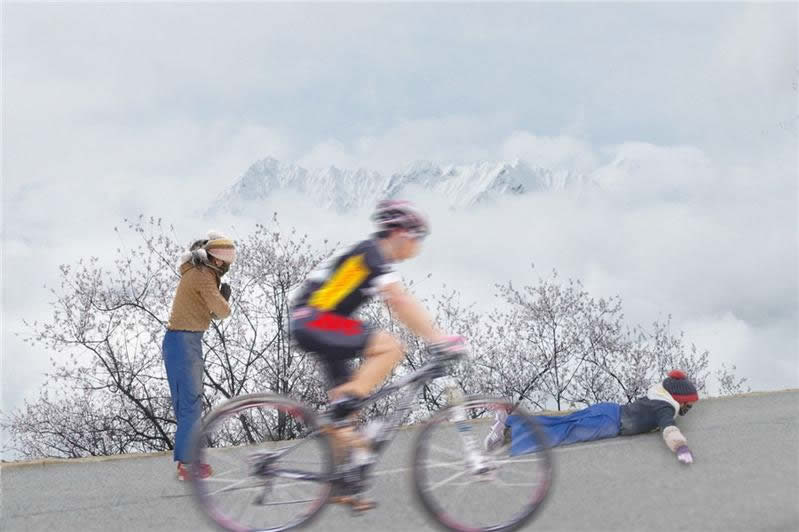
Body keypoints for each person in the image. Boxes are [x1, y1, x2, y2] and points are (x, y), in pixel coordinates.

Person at [290, 199, 462, 509]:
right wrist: (440, 339)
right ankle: (342, 418)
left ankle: (340, 485)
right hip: (314, 318)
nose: (419, 245)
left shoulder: (369, 254)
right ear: (399, 233)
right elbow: (399, 301)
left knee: (346, 412)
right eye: (418, 236)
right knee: (391, 346)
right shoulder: (373, 253)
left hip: (316, 322)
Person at [485, 370, 699, 465]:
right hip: (608, 423)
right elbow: (669, 429)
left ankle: (511, 421)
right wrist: (681, 447)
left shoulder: (657, 396)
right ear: (679, 399)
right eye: (688, 403)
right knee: (562, 433)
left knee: (562, 422)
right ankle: (511, 437)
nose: (689, 407)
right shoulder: (665, 408)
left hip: (608, 411)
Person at [163, 231, 236, 481]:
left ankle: (189, 459)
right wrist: (224, 300)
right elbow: (222, 311)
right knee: (191, 404)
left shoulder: (196, 272)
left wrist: (216, 304)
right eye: (227, 259)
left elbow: (208, 311)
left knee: (187, 403)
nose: (228, 264)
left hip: (182, 341)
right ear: (217, 260)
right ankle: (187, 465)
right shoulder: (204, 275)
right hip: (185, 342)